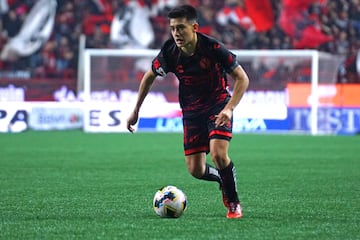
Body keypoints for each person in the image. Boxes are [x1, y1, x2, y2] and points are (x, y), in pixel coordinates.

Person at [126, 4, 249, 219]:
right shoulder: (169, 52)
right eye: (173, 28)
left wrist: (229, 109)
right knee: (196, 170)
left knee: (219, 154)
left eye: (181, 28)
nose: (176, 33)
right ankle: (222, 178)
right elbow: (149, 76)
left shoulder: (213, 48)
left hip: (218, 106)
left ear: (194, 27)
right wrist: (136, 109)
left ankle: (233, 201)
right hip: (191, 112)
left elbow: (242, 78)